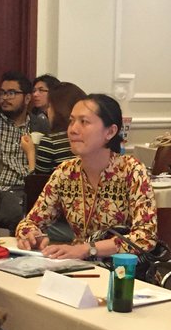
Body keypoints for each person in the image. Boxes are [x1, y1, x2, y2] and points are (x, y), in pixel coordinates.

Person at [15, 94, 157, 259]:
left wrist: (88, 249)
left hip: (121, 268)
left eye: (84, 122)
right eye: (71, 121)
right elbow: (30, 222)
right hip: (77, 264)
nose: (73, 130)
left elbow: (146, 237)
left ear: (110, 132)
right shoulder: (66, 172)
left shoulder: (132, 171)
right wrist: (31, 235)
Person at [0, 71, 37, 229]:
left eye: (11, 93)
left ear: (27, 98)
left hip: (25, 190)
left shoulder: (40, 125)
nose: (4, 98)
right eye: (2, 93)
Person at [34, 82, 86, 174]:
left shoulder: (50, 141)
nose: (47, 111)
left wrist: (30, 153)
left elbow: (38, 181)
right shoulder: (91, 138)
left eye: (49, 106)